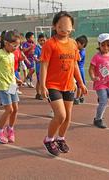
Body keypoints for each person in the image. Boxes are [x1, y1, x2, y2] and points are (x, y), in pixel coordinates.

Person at [40, 11, 87, 156]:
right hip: (53, 85)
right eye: (60, 26)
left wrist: (81, 83)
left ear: (72, 27)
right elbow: (44, 66)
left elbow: (74, 65)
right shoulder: (50, 44)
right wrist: (42, 85)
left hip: (69, 85)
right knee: (60, 115)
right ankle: (49, 139)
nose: (64, 29)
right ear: (55, 26)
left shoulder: (73, 44)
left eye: (67, 26)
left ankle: (60, 138)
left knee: (68, 117)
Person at [0, 30, 22, 144]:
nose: (16, 48)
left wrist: (16, 79)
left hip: (12, 85)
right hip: (2, 86)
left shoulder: (11, 55)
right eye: (14, 45)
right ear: (6, 43)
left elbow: (11, 71)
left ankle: (10, 129)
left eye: (18, 45)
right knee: (9, 109)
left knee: (15, 109)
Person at [74, 35, 88, 105]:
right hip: (77, 69)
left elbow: (77, 59)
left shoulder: (82, 52)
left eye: (77, 43)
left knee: (79, 84)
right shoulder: (80, 51)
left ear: (83, 44)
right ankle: (81, 97)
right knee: (77, 84)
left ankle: (77, 98)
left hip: (79, 70)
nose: (76, 44)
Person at [34, 33, 47, 100]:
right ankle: (39, 93)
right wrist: (39, 60)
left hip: (46, 67)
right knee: (40, 81)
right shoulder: (37, 48)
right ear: (38, 40)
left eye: (44, 40)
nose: (42, 42)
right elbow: (35, 57)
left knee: (45, 80)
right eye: (41, 40)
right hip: (39, 67)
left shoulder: (47, 47)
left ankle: (44, 92)